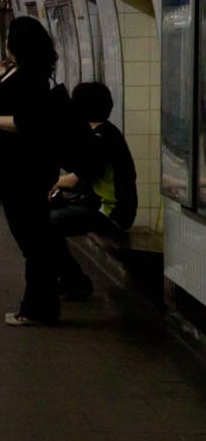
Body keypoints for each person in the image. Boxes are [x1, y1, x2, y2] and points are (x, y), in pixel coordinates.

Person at [0, 16, 66, 326]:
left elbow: (28, 122)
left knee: (33, 240)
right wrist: (0, 77)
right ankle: (40, 305)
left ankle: (39, 308)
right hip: (20, 169)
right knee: (33, 238)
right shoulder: (22, 72)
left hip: (24, 171)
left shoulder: (31, 77)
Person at [47, 81, 137, 300]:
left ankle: (74, 280)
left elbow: (76, 179)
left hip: (112, 212)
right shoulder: (101, 133)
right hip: (99, 205)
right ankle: (69, 278)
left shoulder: (101, 138)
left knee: (46, 224)